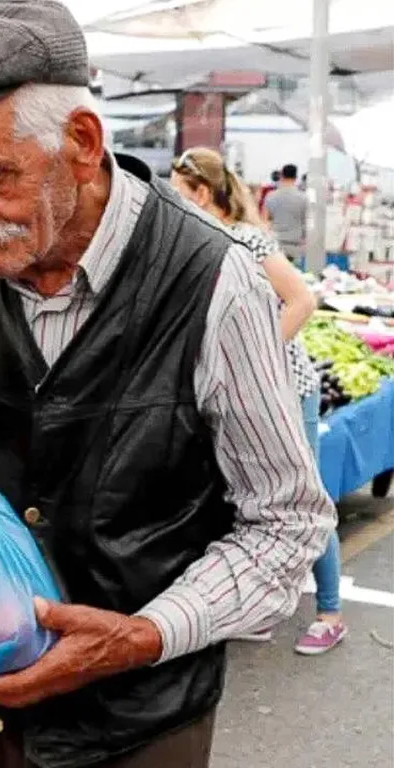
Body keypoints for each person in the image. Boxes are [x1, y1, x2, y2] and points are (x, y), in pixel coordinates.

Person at [0, 2, 334, 766]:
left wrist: (141, 636)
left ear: (82, 143)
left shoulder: (214, 282)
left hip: (143, 721)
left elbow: (286, 523)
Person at [170, 147, 345, 654]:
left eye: (182, 197)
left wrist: (255, 359)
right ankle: (260, 606)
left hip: (289, 390)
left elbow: (303, 300)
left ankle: (330, 612)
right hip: (242, 396)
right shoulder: (201, 242)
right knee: (246, 496)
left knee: (300, 498)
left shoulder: (244, 240)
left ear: (203, 194)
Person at [264, 163, 308, 265]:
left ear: (282, 176)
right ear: (296, 177)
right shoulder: (304, 198)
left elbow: (264, 221)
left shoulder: (270, 196)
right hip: (295, 246)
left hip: (275, 245)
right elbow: (307, 223)